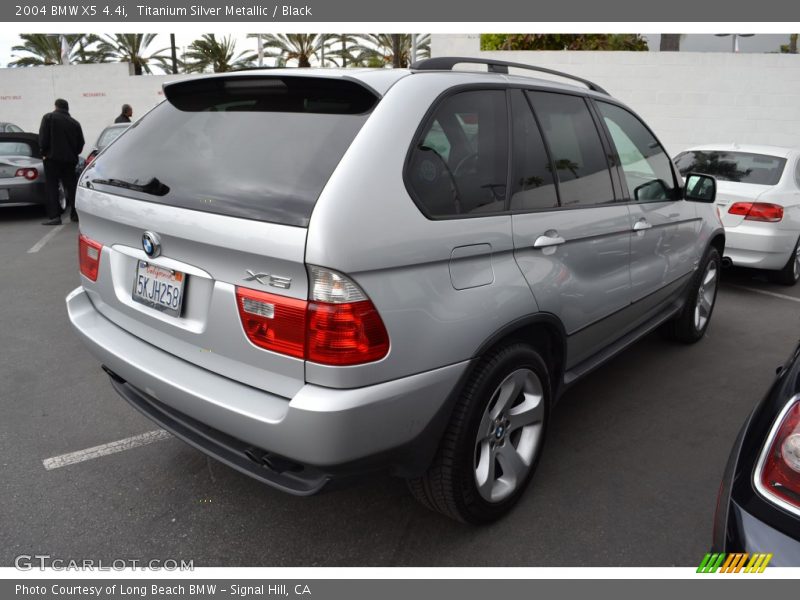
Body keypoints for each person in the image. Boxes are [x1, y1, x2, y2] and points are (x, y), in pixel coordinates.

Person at [38, 98, 84, 225]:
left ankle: (55, 217)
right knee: (72, 186)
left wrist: (43, 153)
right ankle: (75, 215)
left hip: (52, 159)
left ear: (56, 106)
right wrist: (74, 153)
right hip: (70, 160)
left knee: (52, 186)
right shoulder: (75, 123)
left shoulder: (49, 118)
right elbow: (81, 143)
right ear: (67, 108)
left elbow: (43, 138)